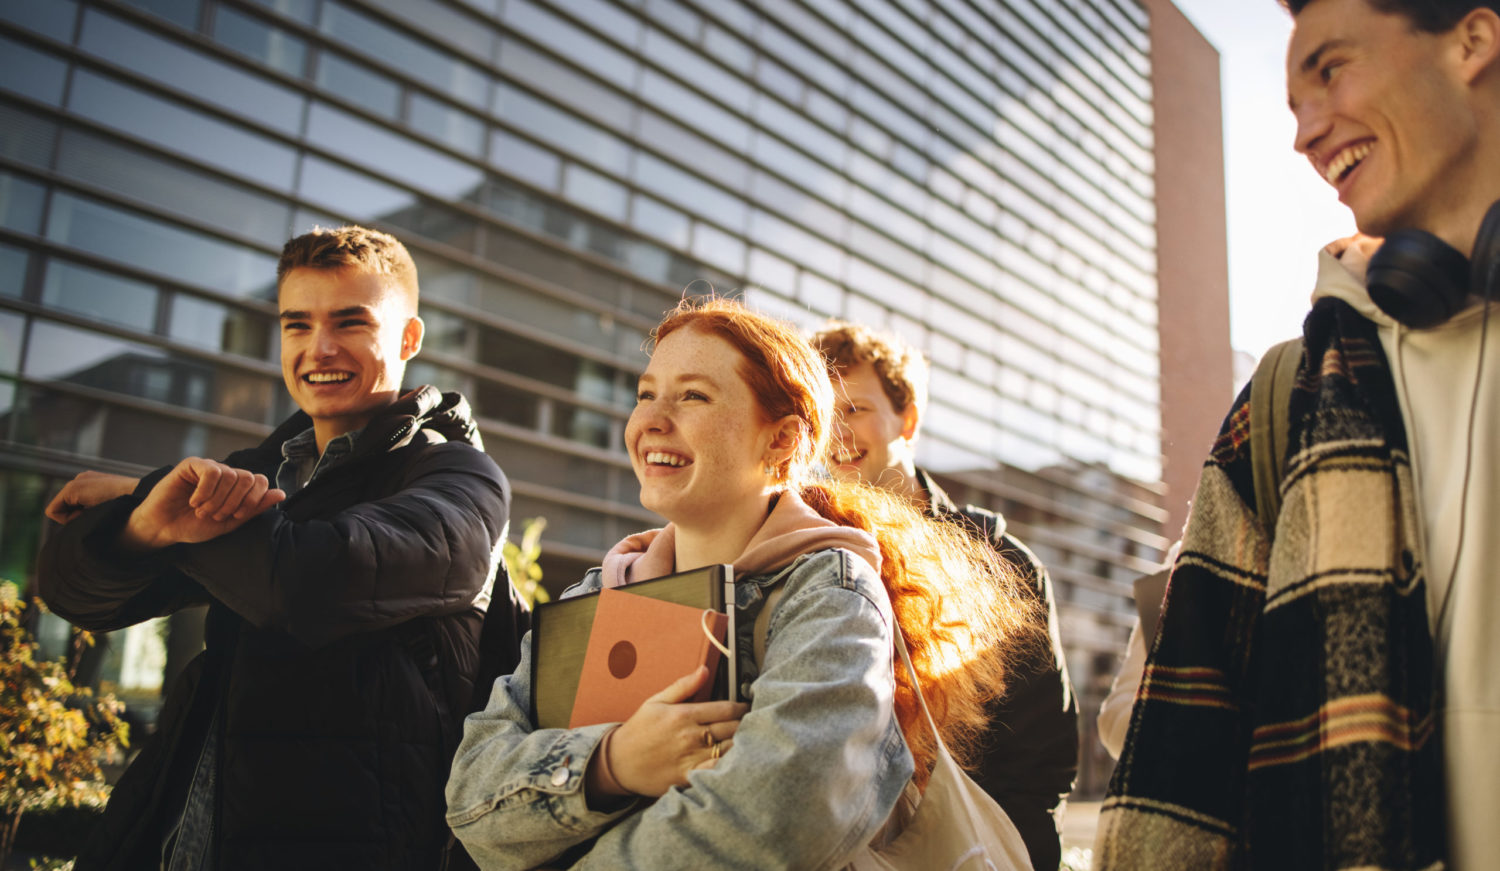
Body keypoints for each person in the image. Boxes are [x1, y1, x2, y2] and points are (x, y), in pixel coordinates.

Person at [1096, 1, 1500, 868]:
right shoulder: (1286, 398)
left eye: (1331, 70)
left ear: (1472, 40)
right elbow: (1177, 759)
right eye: (1290, 104)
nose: (1305, 134)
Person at [445, 298, 1040, 869]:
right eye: (645, 395)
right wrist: (612, 764)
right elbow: (472, 798)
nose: (650, 421)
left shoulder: (829, 594)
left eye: (693, 396)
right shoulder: (598, 595)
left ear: (781, 441)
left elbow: (781, 819)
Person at [37, 225, 517, 870]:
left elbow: (311, 579)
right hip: (185, 825)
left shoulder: (459, 476)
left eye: (350, 322)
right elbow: (76, 597)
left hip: (354, 843)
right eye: (297, 324)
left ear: (408, 338)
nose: (319, 348)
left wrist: (147, 493)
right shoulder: (257, 470)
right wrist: (143, 526)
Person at [810, 321, 1078, 870]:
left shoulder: (998, 558)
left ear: (906, 419)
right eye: (822, 415)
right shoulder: (795, 553)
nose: (836, 434)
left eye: (855, 409)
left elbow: (1040, 759)